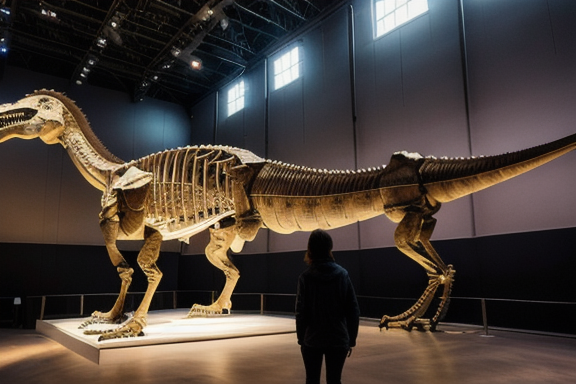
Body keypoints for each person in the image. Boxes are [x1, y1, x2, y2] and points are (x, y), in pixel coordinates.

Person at [295, 229, 360, 384]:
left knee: (311, 380)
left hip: (312, 340)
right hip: (338, 339)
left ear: (310, 249)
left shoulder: (305, 278)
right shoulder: (342, 274)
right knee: (335, 380)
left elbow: (300, 313)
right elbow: (353, 310)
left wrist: (301, 339)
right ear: (329, 248)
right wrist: (351, 339)